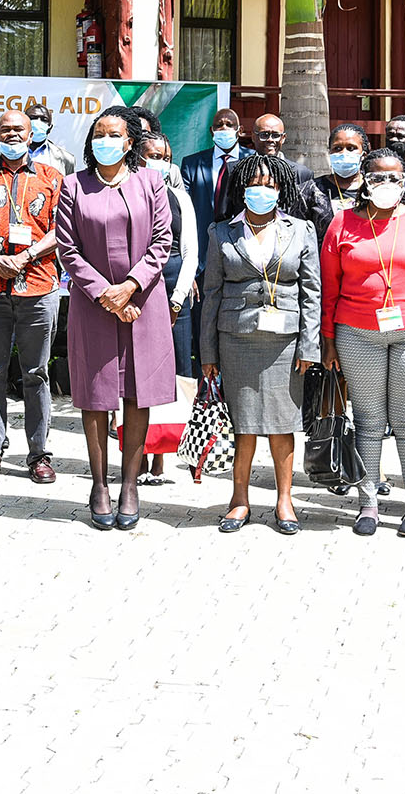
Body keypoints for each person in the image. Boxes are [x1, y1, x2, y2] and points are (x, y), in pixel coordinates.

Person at [320, 148, 405, 537]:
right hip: (357, 333)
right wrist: (328, 340)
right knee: (368, 420)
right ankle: (368, 503)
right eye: (378, 177)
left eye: (394, 177)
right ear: (365, 179)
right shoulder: (342, 223)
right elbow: (331, 286)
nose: (386, 184)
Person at [55, 107, 176, 530]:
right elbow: (67, 249)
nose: (105, 140)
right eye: (98, 133)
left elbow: (163, 240)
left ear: (129, 143)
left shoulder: (151, 181)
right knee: (96, 392)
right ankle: (99, 484)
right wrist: (104, 291)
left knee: (136, 392)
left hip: (143, 302)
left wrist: (131, 285)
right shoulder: (73, 186)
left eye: (114, 134)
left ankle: (129, 483)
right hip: (93, 306)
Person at [199, 153, 321, 535]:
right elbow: (212, 293)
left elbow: (312, 292)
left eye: (269, 184)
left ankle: (285, 501)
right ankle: (239, 500)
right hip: (235, 339)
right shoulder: (221, 231)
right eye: (255, 184)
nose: (262, 190)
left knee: (282, 424)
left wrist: (309, 346)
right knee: (243, 425)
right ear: (242, 189)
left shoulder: (300, 230)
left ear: (280, 188)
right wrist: (208, 353)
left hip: (285, 341)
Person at [0, 109, 64, 485]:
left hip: (39, 286)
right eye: (6, 129)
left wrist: (25, 256)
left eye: (19, 129)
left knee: (36, 373)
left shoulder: (52, 178)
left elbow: (61, 228)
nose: (13, 134)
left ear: (31, 132)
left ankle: (39, 454)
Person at [140, 130, 199, 480]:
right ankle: (140, 449)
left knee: (177, 369)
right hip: (137, 287)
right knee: (140, 370)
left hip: (173, 282)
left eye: (163, 157)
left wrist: (177, 300)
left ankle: (166, 450)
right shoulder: (126, 193)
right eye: (151, 155)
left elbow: (190, 251)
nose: (157, 163)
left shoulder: (180, 197)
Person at [180, 107, 245, 278]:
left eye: (229, 125)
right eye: (219, 125)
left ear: (240, 130)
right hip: (202, 254)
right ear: (212, 131)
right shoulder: (192, 164)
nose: (224, 129)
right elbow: (183, 208)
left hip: (242, 250)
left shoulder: (252, 160)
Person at [302, 122, 368, 237]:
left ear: (363, 154)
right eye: (337, 148)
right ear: (329, 152)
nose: (344, 153)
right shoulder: (310, 190)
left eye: (351, 148)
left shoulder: (373, 189)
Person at [250, 113, 318, 200]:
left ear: (283, 138)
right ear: (253, 136)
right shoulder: (236, 170)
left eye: (276, 135)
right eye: (264, 135)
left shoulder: (302, 174)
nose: (270, 139)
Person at [26, 102, 76, 174]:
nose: (38, 122)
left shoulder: (66, 159)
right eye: (33, 118)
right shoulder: (9, 152)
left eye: (44, 119)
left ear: (50, 128)